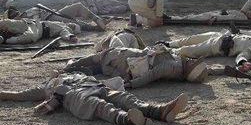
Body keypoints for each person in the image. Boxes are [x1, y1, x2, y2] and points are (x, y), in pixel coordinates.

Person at [0, 73, 188, 125]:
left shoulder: (78, 73)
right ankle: (128, 120)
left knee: (124, 97)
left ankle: (159, 111)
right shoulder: (46, 87)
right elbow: (17, 95)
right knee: (99, 106)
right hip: (73, 95)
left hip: (96, 85)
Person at [64, 45, 208, 89]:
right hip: (131, 61)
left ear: (190, 69)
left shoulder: (172, 67)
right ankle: (74, 66)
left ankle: (71, 66)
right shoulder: (179, 66)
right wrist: (221, 70)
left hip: (127, 62)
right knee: (101, 63)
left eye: (193, 63)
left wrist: (130, 85)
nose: (192, 60)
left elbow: (151, 76)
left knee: (103, 57)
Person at [15, 2, 107, 31]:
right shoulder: (21, 23)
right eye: (12, 14)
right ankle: (95, 28)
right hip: (51, 20)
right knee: (74, 23)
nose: (15, 14)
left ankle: (98, 20)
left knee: (78, 6)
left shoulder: (28, 12)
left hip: (55, 14)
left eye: (14, 12)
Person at [0, 19, 80, 44]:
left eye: (73, 26)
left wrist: (71, 36)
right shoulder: (60, 22)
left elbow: (65, 32)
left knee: (30, 36)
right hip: (30, 22)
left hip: (39, 29)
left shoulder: (64, 28)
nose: (71, 24)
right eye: (72, 24)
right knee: (6, 22)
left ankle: (5, 40)